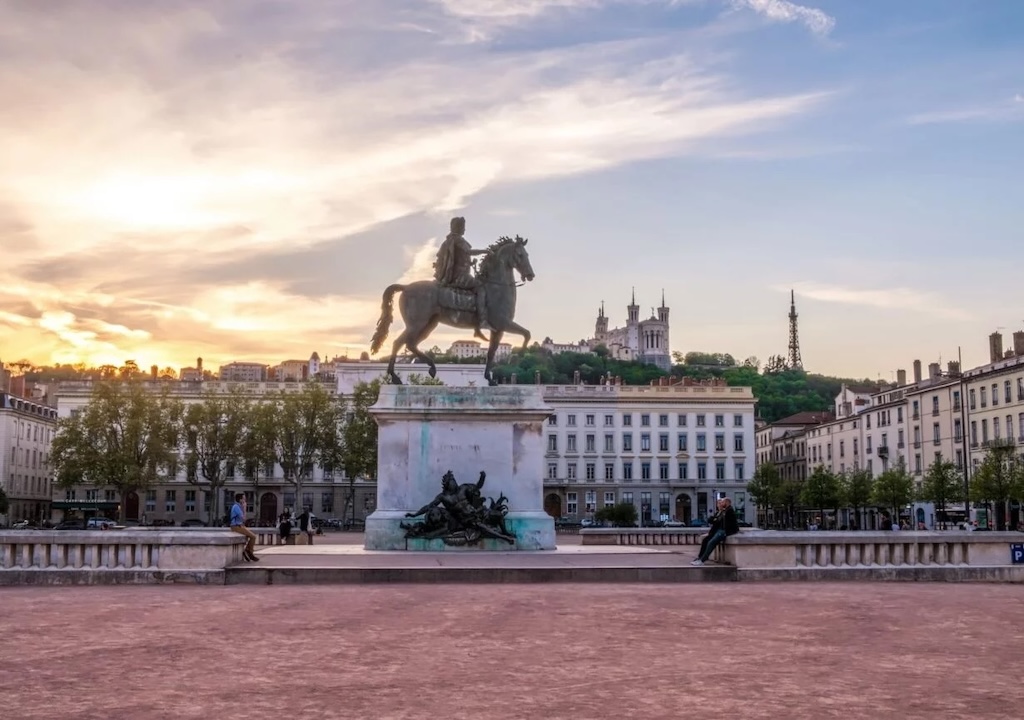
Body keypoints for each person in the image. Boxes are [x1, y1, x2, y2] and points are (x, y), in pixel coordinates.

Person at [433, 216, 491, 339]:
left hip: (456, 275)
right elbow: (469, 252)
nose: (464, 230)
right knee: (480, 287)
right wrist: (484, 251)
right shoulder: (457, 240)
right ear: (458, 227)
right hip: (459, 277)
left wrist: (470, 264)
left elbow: (458, 259)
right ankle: (482, 320)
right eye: (463, 227)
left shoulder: (449, 241)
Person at [691, 497, 740, 566]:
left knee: (711, 542)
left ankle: (702, 560)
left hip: (724, 531)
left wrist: (725, 531)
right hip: (721, 530)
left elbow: (728, 523)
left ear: (727, 502)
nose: (721, 504)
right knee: (708, 541)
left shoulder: (729, 511)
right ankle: (701, 558)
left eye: (723, 502)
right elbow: (717, 520)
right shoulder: (725, 510)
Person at [229, 493, 260, 562]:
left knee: (250, 536)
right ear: (240, 500)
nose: (245, 500)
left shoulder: (238, 506)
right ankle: (249, 552)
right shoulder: (236, 507)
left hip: (239, 526)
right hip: (236, 527)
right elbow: (243, 518)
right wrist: (245, 508)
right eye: (243, 498)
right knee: (253, 536)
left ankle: (247, 551)